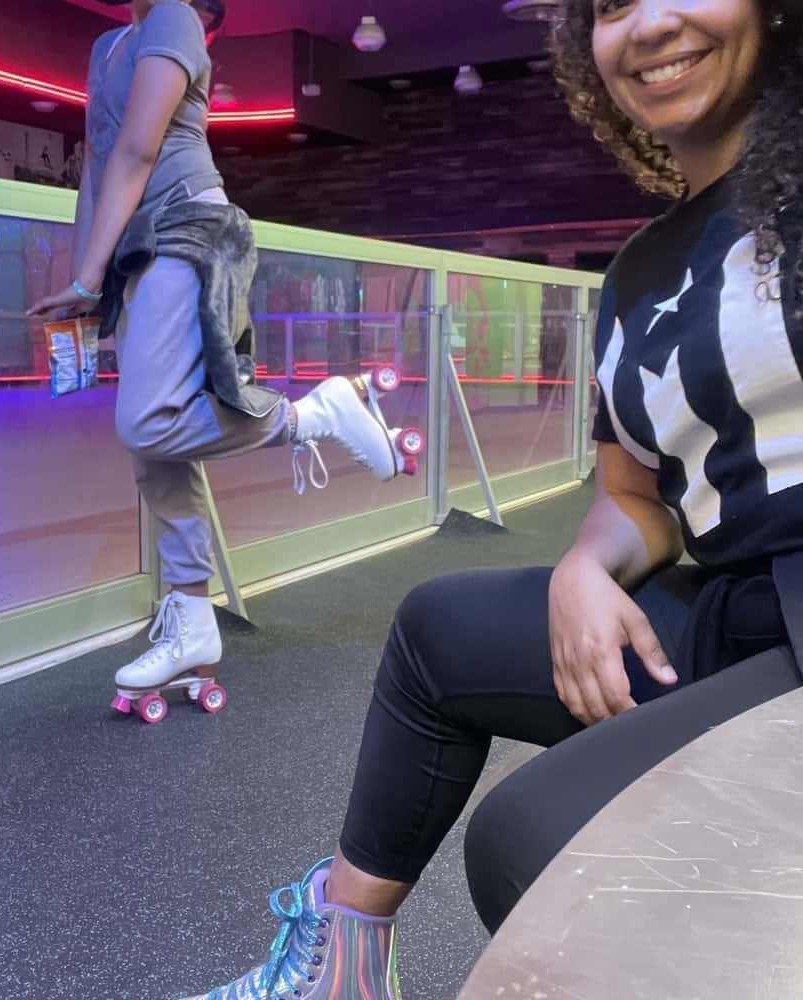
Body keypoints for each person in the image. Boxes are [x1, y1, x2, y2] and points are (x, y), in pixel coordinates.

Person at [178, 0, 803, 995]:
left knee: (533, 841)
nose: (643, 26)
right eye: (606, 6)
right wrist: (584, 567)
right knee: (439, 628)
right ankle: (335, 972)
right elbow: (632, 493)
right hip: (740, 614)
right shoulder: (640, 272)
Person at [27, 0, 422, 714]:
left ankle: (315, 413)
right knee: (159, 453)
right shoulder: (106, 45)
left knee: (149, 422)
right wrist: (89, 275)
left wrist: (92, 273)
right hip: (135, 248)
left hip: (189, 227)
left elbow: (140, 151)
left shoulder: (173, 16)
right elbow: (96, 164)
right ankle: (192, 620)